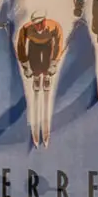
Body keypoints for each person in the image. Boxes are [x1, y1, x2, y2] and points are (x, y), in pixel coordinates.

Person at [15, 12, 66, 147]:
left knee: (46, 64)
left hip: (48, 46)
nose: (38, 26)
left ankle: (46, 78)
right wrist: (26, 66)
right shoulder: (26, 29)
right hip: (34, 48)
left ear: (44, 21)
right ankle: (37, 79)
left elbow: (59, 42)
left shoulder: (53, 26)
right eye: (36, 24)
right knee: (36, 65)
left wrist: (54, 63)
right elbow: (20, 46)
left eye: (40, 23)